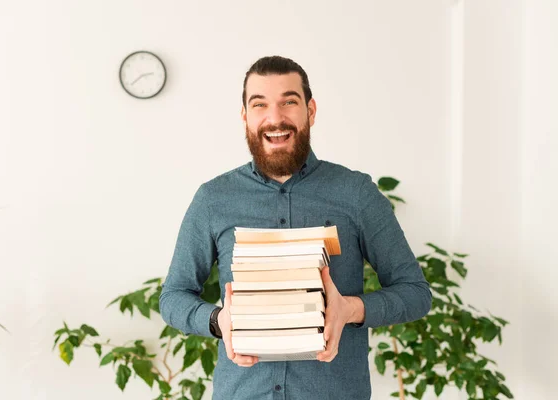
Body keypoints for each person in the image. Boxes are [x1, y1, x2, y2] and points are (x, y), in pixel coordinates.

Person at [159, 55, 432, 400]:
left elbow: (416, 293)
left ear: (311, 111)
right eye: (260, 105)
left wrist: (350, 309)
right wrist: (218, 320)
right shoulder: (213, 199)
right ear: (245, 115)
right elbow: (173, 297)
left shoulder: (357, 193)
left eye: (289, 102)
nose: (275, 118)